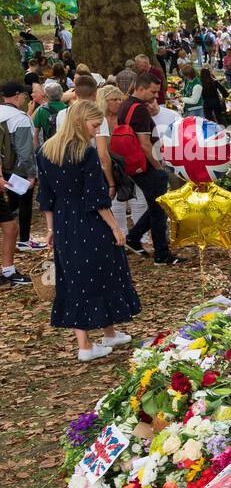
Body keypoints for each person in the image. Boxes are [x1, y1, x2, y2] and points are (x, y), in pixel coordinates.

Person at [36, 100, 140, 361]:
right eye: (94, 125)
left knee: (74, 277)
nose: (96, 131)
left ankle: (104, 334)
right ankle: (87, 346)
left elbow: (46, 195)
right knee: (103, 271)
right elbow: (96, 199)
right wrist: (116, 228)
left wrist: (50, 228)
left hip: (63, 221)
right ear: (80, 121)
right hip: (89, 220)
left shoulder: (45, 151)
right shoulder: (85, 152)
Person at [120, 75, 184, 265]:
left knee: (158, 206)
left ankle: (133, 237)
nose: (156, 96)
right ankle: (161, 255)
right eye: (153, 91)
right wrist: (158, 166)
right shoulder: (139, 110)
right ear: (141, 88)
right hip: (146, 166)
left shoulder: (126, 105)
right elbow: (145, 144)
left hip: (134, 164)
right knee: (159, 211)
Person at [93, 85, 146, 235]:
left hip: (128, 163)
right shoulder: (99, 120)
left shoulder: (124, 118)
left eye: (120, 99)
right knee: (116, 202)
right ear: (104, 101)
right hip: (109, 165)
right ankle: (120, 235)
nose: (118, 102)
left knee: (138, 200)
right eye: (114, 99)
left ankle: (140, 237)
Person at [0, 81, 37, 283]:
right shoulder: (19, 118)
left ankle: (8, 270)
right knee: (10, 223)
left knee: (9, 222)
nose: (25, 99)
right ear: (16, 96)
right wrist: (30, 175)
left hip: (3, 173)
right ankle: (8, 270)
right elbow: (25, 152)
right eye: (24, 95)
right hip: (13, 173)